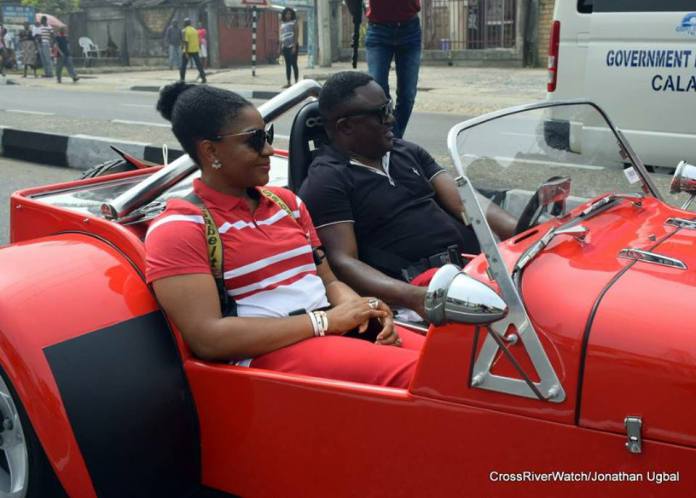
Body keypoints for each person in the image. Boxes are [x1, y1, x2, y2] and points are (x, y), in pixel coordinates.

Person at [146, 82, 424, 388]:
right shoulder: (180, 228)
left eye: (267, 135)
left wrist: (362, 311)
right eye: (253, 140)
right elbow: (208, 337)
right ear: (210, 150)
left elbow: (328, 281)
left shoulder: (286, 204)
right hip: (268, 356)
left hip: (328, 332)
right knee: (428, 378)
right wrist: (325, 322)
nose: (267, 149)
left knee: (460, 364)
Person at [299, 71, 516, 319]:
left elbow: (466, 202)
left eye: (389, 107)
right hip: (417, 296)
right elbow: (343, 262)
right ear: (346, 127)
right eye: (381, 113)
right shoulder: (327, 180)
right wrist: (415, 298)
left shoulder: (405, 151)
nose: (391, 119)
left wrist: (523, 230)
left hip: (475, 270)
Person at [345, 0, 421, 139]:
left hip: (410, 29)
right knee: (378, 91)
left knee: (408, 95)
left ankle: (394, 140)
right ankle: (395, 141)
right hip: (378, 30)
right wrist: (356, 12)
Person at [179, 18, 206, 83]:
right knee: (199, 64)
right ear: (190, 23)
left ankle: (182, 79)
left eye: (184, 23)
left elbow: (186, 42)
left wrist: (186, 52)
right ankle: (203, 78)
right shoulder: (195, 30)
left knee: (183, 65)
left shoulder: (184, 31)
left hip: (188, 50)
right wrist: (198, 48)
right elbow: (198, 40)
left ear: (185, 23)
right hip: (195, 50)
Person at [279, 7, 299, 88]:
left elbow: (296, 34)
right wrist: (280, 46)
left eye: (290, 14)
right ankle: (288, 82)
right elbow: (281, 35)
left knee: (293, 64)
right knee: (287, 65)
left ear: (292, 15)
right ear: (284, 15)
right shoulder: (282, 24)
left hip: (293, 46)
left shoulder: (294, 22)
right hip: (285, 46)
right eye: (286, 14)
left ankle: (297, 82)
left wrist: (294, 46)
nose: (288, 15)